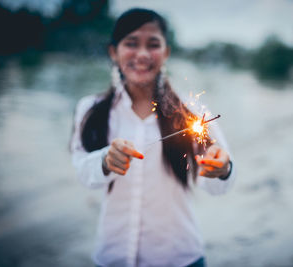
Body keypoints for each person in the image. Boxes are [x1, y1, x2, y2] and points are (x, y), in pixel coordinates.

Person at [70, 8, 235, 267]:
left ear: (166, 52)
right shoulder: (89, 109)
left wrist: (222, 168)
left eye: (153, 44)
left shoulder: (192, 112)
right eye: (131, 43)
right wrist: (105, 160)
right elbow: (82, 172)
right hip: (111, 256)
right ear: (113, 52)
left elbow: (220, 186)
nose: (143, 54)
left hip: (180, 257)